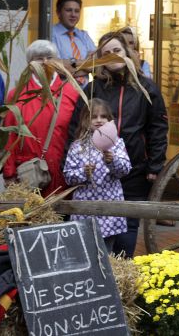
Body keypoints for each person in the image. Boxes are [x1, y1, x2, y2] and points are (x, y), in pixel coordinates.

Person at [67, 31, 168, 257]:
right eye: (106, 53)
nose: (112, 55)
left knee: (127, 227)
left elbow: (158, 127)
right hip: (97, 174)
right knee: (97, 228)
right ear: (100, 58)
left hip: (133, 170)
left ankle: (123, 270)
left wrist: (155, 165)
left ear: (127, 52)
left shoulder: (146, 87)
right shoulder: (92, 89)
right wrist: (73, 163)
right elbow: (76, 127)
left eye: (117, 50)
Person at [2, 40, 78, 197]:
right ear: (30, 64)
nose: (44, 62)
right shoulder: (17, 95)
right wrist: (9, 174)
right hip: (29, 177)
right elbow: (9, 137)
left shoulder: (71, 93)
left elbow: (79, 135)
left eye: (49, 57)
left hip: (63, 176)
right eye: (38, 58)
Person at [63, 98, 131, 251]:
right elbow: (68, 176)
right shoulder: (77, 146)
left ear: (109, 119)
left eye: (103, 116)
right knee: (85, 250)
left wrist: (113, 161)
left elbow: (125, 169)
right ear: (85, 120)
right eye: (94, 117)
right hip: (84, 208)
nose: (99, 120)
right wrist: (83, 172)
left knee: (106, 251)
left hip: (110, 208)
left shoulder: (117, 143)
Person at [51, 0, 96, 82]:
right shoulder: (50, 34)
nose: (73, 14)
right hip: (61, 89)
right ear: (58, 13)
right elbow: (55, 67)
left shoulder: (84, 35)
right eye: (68, 10)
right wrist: (85, 65)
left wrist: (70, 64)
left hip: (86, 89)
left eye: (77, 11)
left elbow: (96, 63)